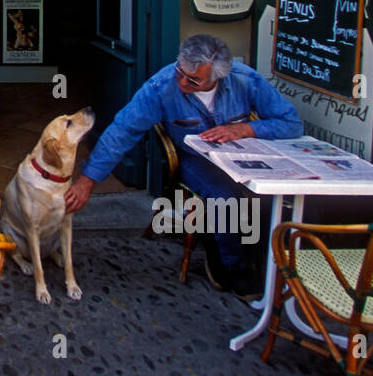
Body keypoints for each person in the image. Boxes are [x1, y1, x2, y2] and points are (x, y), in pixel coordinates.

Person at [64, 34, 302, 299]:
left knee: (272, 196)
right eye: (180, 72)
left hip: (244, 158)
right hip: (195, 160)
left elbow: (291, 123)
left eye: (193, 80)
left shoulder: (244, 79)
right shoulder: (161, 87)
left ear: (218, 76)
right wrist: (88, 180)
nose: (182, 82)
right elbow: (122, 131)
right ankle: (233, 266)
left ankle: (269, 264)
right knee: (226, 198)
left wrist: (246, 128)